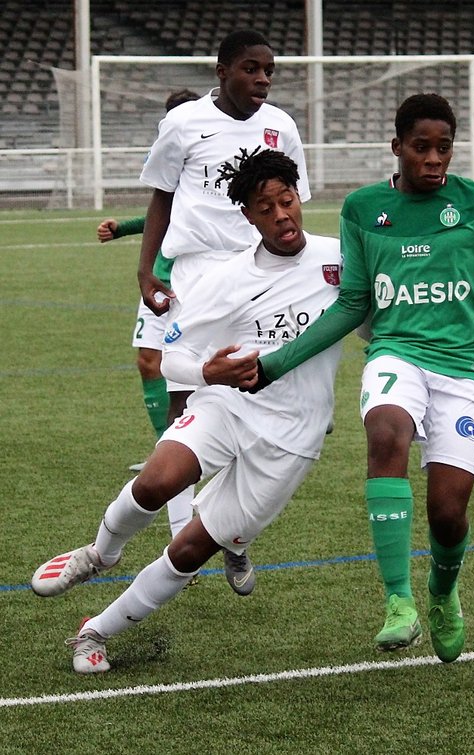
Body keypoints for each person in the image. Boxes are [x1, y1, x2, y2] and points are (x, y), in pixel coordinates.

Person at [243, 93, 474, 663]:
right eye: (422, 147)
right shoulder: (363, 209)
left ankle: (442, 593)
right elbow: (351, 306)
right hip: (395, 352)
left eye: (444, 147)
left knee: (448, 511)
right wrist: (272, 365)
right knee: (386, 432)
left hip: (465, 366)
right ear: (397, 148)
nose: (435, 158)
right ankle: (400, 602)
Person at [31, 150, 344, 674]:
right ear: (247, 217)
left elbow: (380, 320)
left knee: (190, 550)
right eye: (264, 208)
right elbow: (172, 353)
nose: (281, 215)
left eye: (286, 201)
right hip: (228, 405)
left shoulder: (341, 261)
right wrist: (208, 375)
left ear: (299, 197)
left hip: (292, 436)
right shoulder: (228, 277)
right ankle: (99, 554)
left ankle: (94, 631)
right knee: (158, 480)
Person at [135, 29, 311, 592]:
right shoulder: (182, 124)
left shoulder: (280, 126)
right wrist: (147, 271)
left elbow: (291, 201)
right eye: (251, 69)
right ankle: (181, 529)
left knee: (252, 402)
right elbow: (161, 195)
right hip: (194, 275)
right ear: (221, 70)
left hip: (257, 276)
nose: (262, 80)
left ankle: (231, 535)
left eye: (269, 71)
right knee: (186, 400)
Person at [98, 89, 200, 484]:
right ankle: (165, 450)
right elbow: (163, 211)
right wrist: (123, 228)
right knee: (149, 361)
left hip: (201, 277)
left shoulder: (215, 160)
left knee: (212, 361)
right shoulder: (169, 152)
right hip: (161, 274)